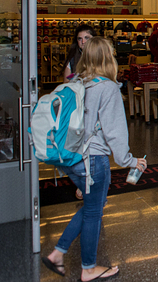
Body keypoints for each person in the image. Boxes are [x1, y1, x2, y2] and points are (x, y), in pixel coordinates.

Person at [42, 37, 147, 281]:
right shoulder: (108, 87)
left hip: (69, 159)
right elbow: (115, 132)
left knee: (92, 206)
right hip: (93, 159)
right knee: (93, 211)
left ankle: (58, 253)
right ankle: (88, 268)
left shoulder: (76, 82)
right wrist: (129, 161)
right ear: (107, 58)